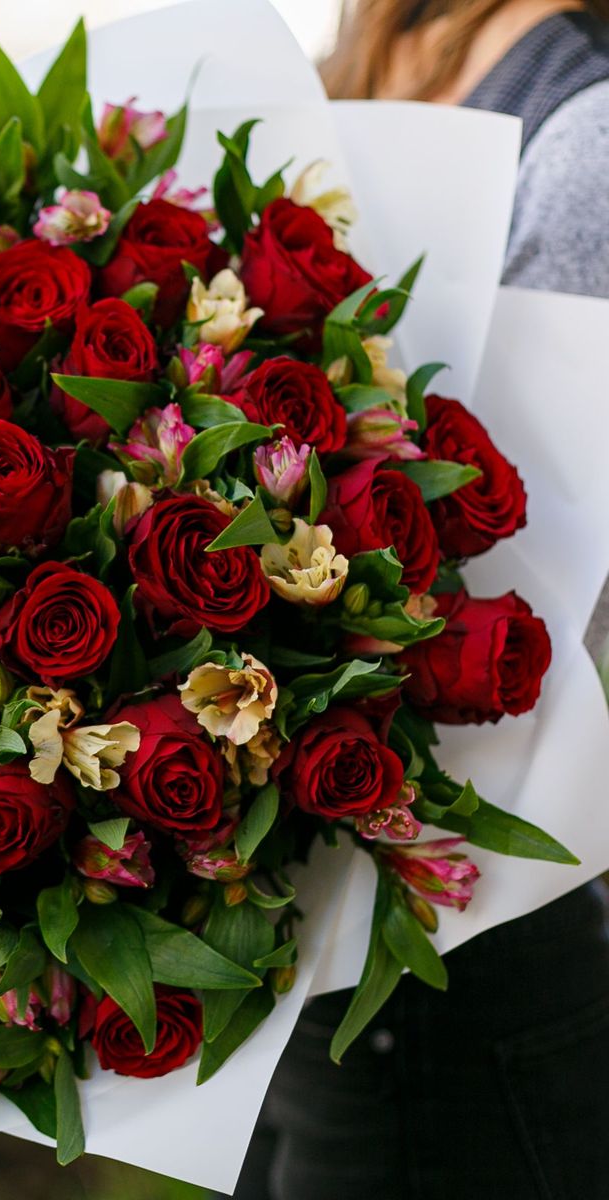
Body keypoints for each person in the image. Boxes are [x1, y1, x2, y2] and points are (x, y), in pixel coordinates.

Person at [233, 3, 609, 1198]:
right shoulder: (340, 79)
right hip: (299, 934)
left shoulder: (585, 140)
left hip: (478, 950)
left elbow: (556, 590)